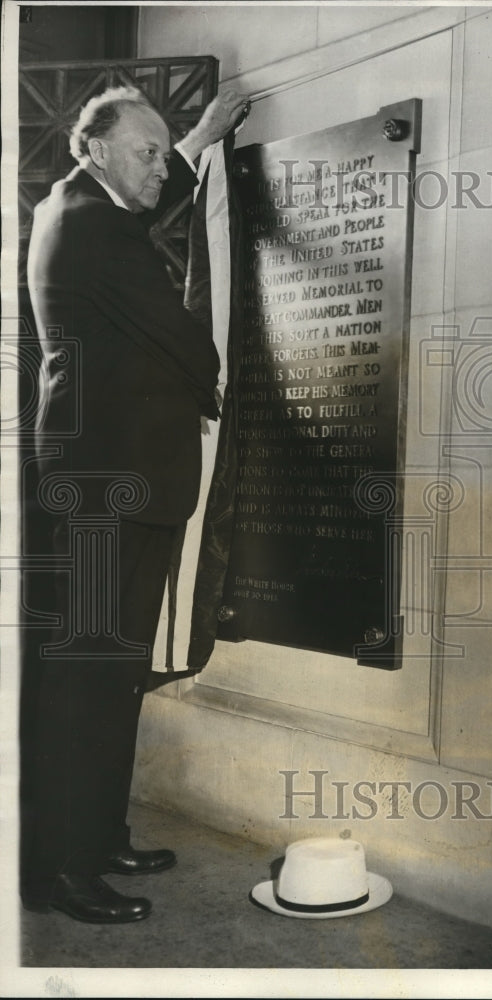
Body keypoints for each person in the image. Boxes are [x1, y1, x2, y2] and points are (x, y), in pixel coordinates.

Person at [21, 85, 248, 923]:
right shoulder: (85, 222)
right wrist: (227, 373)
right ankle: (63, 873)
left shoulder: (82, 208)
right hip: (101, 492)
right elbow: (182, 333)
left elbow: (151, 201)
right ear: (95, 150)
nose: (161, 168)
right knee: (88, 681)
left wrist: (195, 142)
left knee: (114, 677)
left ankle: (99, 837)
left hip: (123, 487)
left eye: (164, 153)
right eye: (146, 153)